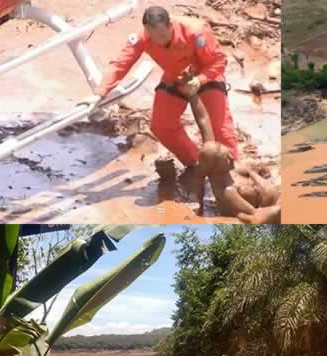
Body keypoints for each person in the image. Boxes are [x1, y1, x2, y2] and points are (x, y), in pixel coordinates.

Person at [93, 6, 238, 185]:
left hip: (206, 76)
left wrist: (200, 80)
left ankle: (231, 173)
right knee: (161, 125)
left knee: (220, 129)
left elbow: (218, 60)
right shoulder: (141, 38)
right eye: (153, 38)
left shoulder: (196, 31)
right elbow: (119, 65)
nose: (159, 42)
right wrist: (98, 94)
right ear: (146, 30)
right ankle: (196, 165)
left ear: (170, 25)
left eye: (162, 36)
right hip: (175, 78)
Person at [197, 141, 280, 218]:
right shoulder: (226, 192)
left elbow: (264, 170)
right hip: (275, 205)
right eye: (226, 158)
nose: (232, 158)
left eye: (229, 153)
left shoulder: (234, 167)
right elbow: (255, 215)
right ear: (214, 168)